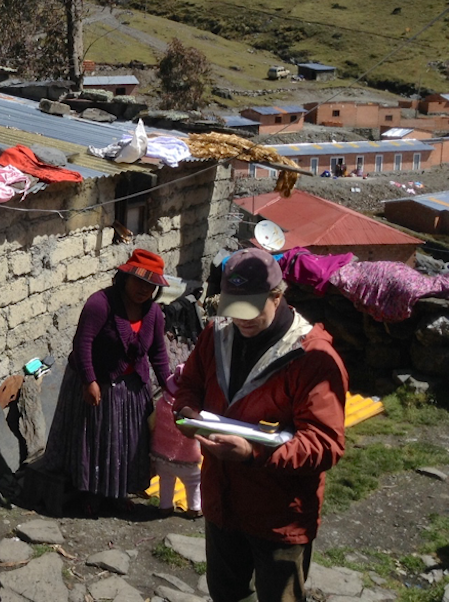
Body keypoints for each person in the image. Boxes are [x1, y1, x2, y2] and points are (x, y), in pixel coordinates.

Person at [174, 248, 347, 602]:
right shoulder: (217, 334)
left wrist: (253, 453)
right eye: (234, 309)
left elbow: (325, 444)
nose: (242, 320)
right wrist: (188, 411)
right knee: (227, 594)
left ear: (277, 295)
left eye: (252, 309)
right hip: (222, 502)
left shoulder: (312, 358)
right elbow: (190, 382)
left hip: (279, 514)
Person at [43, 248, 172, 518]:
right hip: (98, 383)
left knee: (127, 443)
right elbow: (83, 343)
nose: (144, 289)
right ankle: (90, 494)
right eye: (139, 281)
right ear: (125, 278)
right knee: (96, 441)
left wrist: (171, 389)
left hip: (132, 387)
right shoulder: (100, 304)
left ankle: (118, 494)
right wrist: (89, 380)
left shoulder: (153, 314)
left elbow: (158, 354)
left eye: (151, 285)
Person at [150, 364, 202, 519]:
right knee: (193, 482)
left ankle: (165, 506)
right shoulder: (193, 411)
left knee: (166, 480)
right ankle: (194, 508)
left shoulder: (161, 404)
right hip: (187, 458)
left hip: (162, 454)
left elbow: (151, 423)